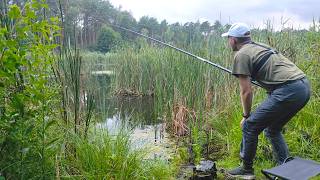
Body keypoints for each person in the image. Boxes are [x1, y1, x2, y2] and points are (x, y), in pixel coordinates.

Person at [221, 23, 311, 179]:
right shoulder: (260, 46)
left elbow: (246, 91)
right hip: (303, 86)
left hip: (288, 90)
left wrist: (246, 115)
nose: (228, 41)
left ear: (234, 40)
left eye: (229, 38)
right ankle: (286, 167)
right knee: (273, 129)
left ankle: (246, 169)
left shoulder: (241, 55)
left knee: (250, 126)